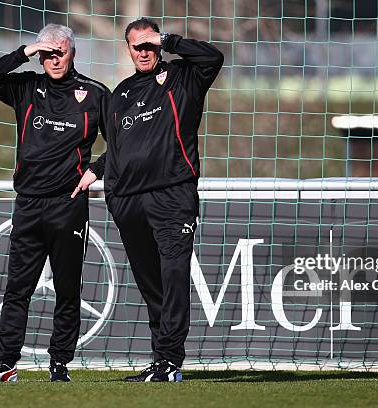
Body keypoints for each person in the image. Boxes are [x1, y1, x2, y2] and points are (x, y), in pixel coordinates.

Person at [0, 24, 110, 382]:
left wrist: (96, 169)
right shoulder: (26, 88)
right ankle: (6, 363)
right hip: (29, 204)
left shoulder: (95, 94)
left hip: (69, 205)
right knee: (17, 288)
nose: (53, 59)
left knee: (67, 288)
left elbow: (123, 143)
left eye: (59, 52)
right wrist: (27, 50)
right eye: (47, 53)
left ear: (72, 52)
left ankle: (60, 363)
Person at [101, 17, 223, 382]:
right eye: (136, 45)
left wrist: (169, 40)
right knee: (150, 281)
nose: (143, 51)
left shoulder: (184, 77)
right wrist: (102, 178)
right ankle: (159, 359)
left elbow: (213, 57)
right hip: (127, 201)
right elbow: (117, 150)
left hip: (172, 196)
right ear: (127, 49)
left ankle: (170, 361)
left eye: (149, 45)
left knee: (172, 277)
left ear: (157, 45)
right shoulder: (119, 94)